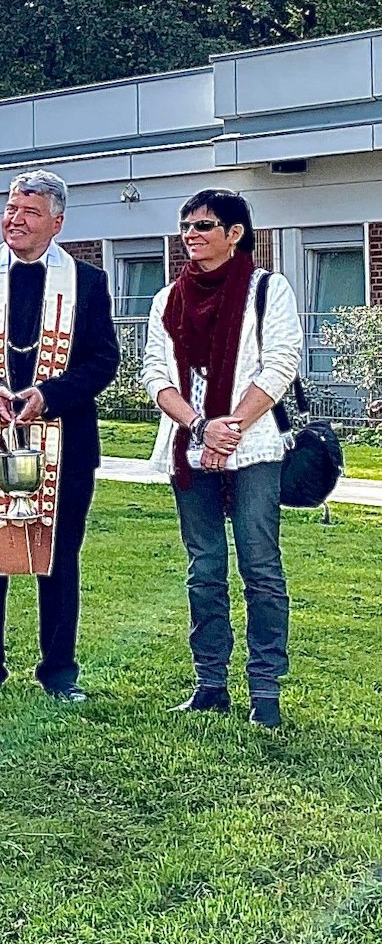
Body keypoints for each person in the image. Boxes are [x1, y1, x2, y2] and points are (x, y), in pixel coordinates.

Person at [0, 170, 118, 704]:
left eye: (30, 211)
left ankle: (59, 671)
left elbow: (104, 359)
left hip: (64, 438)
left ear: (57, 222)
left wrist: (51, 395)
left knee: (58, 555)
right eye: (11, 208)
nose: (15, 219)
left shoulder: (87, 281)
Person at [140, 189, 300, 727]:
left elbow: (279, 365)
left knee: (261, 567)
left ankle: (265, 692)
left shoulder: (266, 289)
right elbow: (156, 376)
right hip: (191, 447)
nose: (191, 234)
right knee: (204, 569)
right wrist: (202, 427)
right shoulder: (167, 299)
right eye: (186, 224)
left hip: (254, 448)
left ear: (236, 234)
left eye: (205, 225)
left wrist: (231, 428)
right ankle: (210, 683)